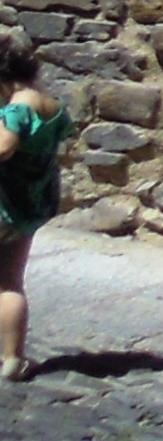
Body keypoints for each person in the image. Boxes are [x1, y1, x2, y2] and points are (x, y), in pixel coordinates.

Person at [0, 24, 68, 382]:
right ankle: (13, 358)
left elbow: (5, 145)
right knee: (10, 282)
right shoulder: (53, 106)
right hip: (30, 205)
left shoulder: (16, 108)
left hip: (3, 202)